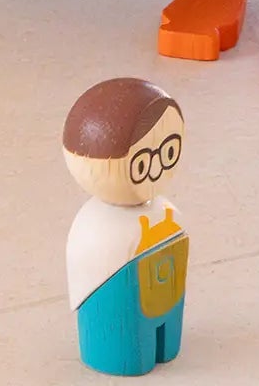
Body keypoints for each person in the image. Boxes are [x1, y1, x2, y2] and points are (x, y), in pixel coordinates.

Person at [62, 78, 189, 376]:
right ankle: (124, 355)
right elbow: (82, 280)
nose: (156, 166)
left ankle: (164, 345)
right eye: (143, 162)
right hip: (118, 311)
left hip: (165, 295)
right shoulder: (94, 228)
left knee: (165, 333)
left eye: (167, 151)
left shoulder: (169, 212)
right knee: (125, 345)